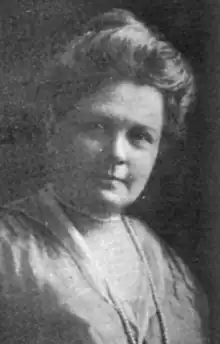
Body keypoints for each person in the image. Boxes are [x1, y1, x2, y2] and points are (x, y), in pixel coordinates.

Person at [0, 8, 209, 344]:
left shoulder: (171, 270)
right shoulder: (8, 251)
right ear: (56, 128)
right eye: (97, 127)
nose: (117, 153)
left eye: (140, 136)